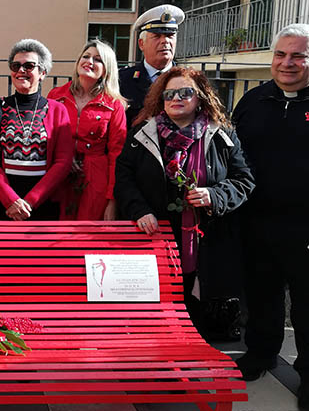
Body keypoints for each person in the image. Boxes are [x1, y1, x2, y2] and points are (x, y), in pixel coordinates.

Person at [115, 67, 254, 335]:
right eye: (169, 94)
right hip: (154, 237)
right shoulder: (142, 134)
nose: (176, 98)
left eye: (185, 92)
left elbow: (244, 180)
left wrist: (214, 195)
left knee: (196, 314)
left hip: (205, 244)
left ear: (200, 97)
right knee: (155, 314)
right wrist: (140, 210)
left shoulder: (221, 135)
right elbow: (124, 179)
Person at [232, 23, 309, 409]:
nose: (287, 63)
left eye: (298, 55)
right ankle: (261, 353)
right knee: (261, 296)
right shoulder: (253, 101)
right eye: (281, 54)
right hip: (256, 220)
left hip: (305, 228)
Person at [0, 39, 73, 220]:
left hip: (43, 203)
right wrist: (11, 200)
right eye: (16, 66)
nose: (21, 71)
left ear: (42, 72)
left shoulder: (57, 110)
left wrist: (30, 201)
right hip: (2, 201)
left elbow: (63, 161)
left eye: (29, 66)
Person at [48, 39, 127, 220]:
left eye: (98, 59)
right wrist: (64, 158)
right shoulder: (56, 96)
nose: (89, 62)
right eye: (86, 56)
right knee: (55, 231)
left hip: (96, 178)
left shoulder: (114, 104)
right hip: (59, 174)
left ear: (106, 69)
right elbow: (46, 138)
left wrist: (112, 201)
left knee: (87, 234)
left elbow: (117, 154)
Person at [119, 4, 185, 127]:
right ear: (141, 44)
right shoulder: (122, 80)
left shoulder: (188, 81)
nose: (165, 41)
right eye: (157, 36)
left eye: (170, 36)